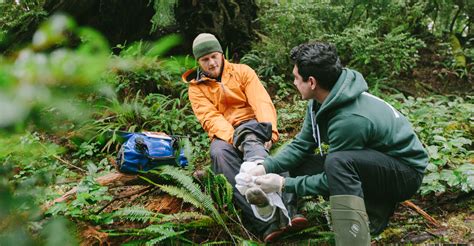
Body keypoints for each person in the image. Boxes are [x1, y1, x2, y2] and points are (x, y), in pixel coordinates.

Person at [246, 42, 429, 245]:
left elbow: (335, 175)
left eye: (297, 78)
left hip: (405, 174)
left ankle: (356, 234)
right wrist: (265, 167)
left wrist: (284, 184)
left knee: (337, 162)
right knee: (301, 164)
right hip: (373, 162)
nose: (295, 83)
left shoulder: (349, 120)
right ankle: (287, 215)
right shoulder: (320, 101)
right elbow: (302, 144)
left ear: (312, 82)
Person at [181, 33, 308, 242]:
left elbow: (262, 102)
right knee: (219, 155)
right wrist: (234, 139)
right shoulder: (196, 89)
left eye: (214, 56)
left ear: (221, 54)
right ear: (198, 62)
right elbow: (210, 118)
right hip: (225, 135)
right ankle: (266, 224)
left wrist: (270, 131)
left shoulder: (242, 72)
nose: (211, 63)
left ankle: (290, 213)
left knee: (262, 143)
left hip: (254, 123)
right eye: (205, 60)